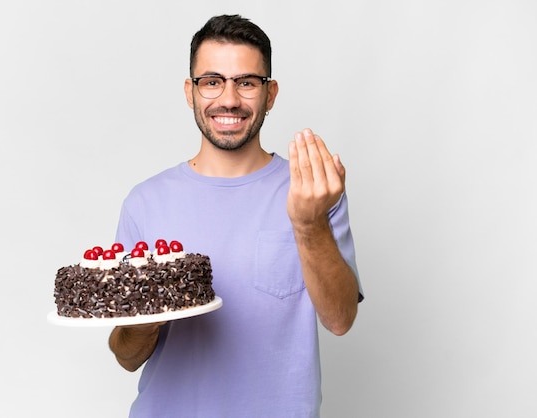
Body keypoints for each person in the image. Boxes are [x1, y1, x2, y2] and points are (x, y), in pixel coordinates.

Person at [108, 14, 364, 417]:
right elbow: (126, 356)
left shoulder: (312, 191)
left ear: (271, 93)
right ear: (190, 92)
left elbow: (340, 318)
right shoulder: (145, 202)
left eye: (246, 82)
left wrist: (308, 222)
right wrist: (143, 324)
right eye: (212, 81)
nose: (229, 99)